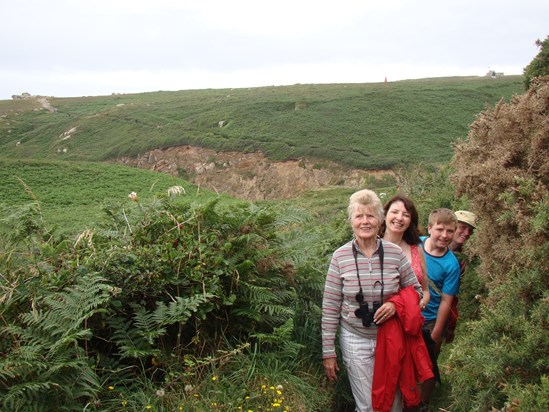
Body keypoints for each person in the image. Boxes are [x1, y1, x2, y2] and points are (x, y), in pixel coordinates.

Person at [322, 189, 423, 412]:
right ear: (351, 221)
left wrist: (394, 305)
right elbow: (330, 307)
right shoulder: (340, 257)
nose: (365, 221)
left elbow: (416, 291)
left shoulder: (394, 253)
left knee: (394, 402)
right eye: (359, 216)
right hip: (354, 338)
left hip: (391, 338)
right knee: (367, 405)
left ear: (380, 220)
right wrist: (328, 352)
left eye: (370, 216)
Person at [419, 208, 460, 407]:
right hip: (409, 313)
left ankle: (423, 403)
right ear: (429, 228)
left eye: (450, 231)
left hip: (432, 318)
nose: (445, 235)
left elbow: (447, 300)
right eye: (440, 229)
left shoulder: (452, 264)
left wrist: (436, 331)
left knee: (429, 364)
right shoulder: (416, 244)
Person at [381, 194, 430, 310]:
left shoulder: (416, 250)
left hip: (409, 320)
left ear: (410, 221)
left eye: (406, 215)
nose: (399, 218)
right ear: (384, 215)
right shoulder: (372, 247)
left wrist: (420, 305)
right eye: (395, 212)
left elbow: (425, 290)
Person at [445, 210, 477, 343]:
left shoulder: (464, 258)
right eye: (463, 227)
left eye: (470, 230)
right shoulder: (430, 248)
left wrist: (451, 324)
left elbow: (454, 295)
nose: (467, 233)